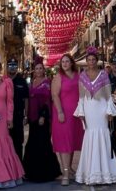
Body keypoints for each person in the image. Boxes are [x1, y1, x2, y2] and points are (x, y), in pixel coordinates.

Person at [74, 47, 116, 185]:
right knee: (90, 135)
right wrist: (81, 113)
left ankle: (106, 172)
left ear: (96, 61)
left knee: (103, 134)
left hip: (101, 109)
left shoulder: (103, 75)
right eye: (88, 60)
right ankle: (90, 172)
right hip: (89, 109)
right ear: (86, 61)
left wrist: (109, 111)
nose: (91, 62)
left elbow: (108, 95)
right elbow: (81, 97)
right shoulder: (82, 76)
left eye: (93, 60)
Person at [0, 56, 25, 188]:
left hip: (2, 118)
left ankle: (5, 176)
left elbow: (10, 102)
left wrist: (10, 118)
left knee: (2, 144)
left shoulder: (7, 82)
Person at [22, 57, 61, 182]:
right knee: (32, 142)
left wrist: (43, 116)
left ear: (43, 70)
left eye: (40, 68)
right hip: (32, 118)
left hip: (42, 118)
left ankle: (46, 173)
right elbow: (28, 99)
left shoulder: (47, 82)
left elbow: (48, 100)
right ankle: (31, 172)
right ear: (34, 70)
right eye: (36, 68)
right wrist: (26, 115)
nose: (38, 70)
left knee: (43, 143)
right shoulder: (31, 82)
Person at [51, 53, 83, 185]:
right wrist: (60, 112)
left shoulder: (78, 76)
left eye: (67, 61)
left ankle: (69, 168)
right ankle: (65, 173)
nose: (64, 64)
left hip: (76, 114)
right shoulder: (58, 77)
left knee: (72, 142)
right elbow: (55, 95)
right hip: (63, 113)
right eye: (62, 62)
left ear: (71, 63)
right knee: (64, 143)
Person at [6, 59, 28, 162]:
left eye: (14, 65)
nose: (12, 67)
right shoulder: (4, 80)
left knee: (18, 142)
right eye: (10, 65)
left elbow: (26, 99)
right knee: (6, 142)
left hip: (18, 116)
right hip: (6, 117)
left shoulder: (22, 81)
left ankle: (19, 167)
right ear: (7, 67)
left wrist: (26, 116)